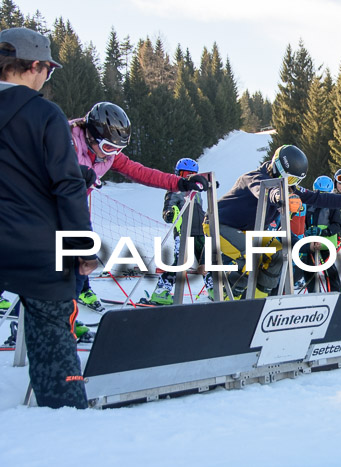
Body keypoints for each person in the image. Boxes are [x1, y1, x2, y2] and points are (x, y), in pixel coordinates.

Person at [0, 27, 98, 408]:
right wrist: (83, 249)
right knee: (54, 340)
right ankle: (65, 415)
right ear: (35, 66)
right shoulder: (44, 113)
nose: (46, 77)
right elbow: (67, 186)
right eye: (48, 70)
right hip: (38, 248)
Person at [69, 101, 209, 310]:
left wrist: (179, 183)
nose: (110, 154)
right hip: (48, 208)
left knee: (80, 265)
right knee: (56, 266)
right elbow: (46, 162)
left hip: (76, 210)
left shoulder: (108, 155)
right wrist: (74, 172)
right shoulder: (66, 139)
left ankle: (67, 320)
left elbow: (140, 172)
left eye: (117, 150)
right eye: (108, 147)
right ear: (91, 135)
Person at [205, 145, 341, 299]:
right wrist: (282, 197)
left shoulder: (289, 188)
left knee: (278, 256)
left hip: (247, 231)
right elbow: (265, 192)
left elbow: (318, 198)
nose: (292, 185)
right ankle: (228, 296)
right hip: (219, 225)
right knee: (251, 255)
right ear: (279, 169)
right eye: (291, 179)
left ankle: (257, 300)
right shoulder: (254, 178)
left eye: (296, 181)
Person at [149, 158, 215, 305]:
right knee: (180, 263)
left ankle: (213, 288)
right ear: (178, 173)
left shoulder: (197, 192)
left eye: (192, 174)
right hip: (183, 231)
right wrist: (169, 214)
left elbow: (198, 210)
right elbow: (168, 209)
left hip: (199, 231)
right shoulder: (174, 189)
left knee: (207, 260)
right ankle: (162, 291)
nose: (188, 178)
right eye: (185, 174)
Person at [299, 175, 341, 292]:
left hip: (326, 243)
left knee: (329, 269)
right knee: (308, 268)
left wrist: (323, 232)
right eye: (320, 194)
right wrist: (306, 232)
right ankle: (313, 293)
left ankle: (335, 293)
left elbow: (337, 225)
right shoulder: (308, 206)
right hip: (311, 243)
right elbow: (303, 223)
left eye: (326, 194)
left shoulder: (333, 207)